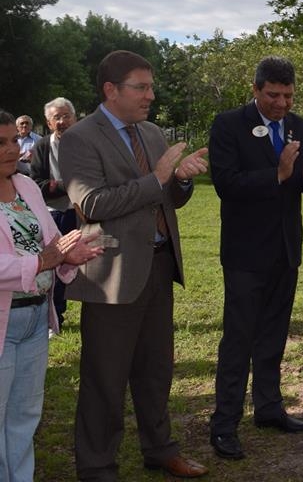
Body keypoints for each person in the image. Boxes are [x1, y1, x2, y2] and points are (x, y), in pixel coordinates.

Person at [60, 50, 210, 481]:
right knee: (104, 379)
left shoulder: (152, 133)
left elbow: (168, 197)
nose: (150, 94)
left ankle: (160, 449)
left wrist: (180, 180)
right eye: (140, 87)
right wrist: (159, 178)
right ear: (111, 90)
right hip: (111, 274)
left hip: (159, 267)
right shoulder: (80, 138)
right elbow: (91, 203)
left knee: (156, 369)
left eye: (150, 86)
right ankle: (97, 465)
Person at [207, 56, 303, 461]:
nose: (282, 103)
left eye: (289, 95)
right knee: (238, 339)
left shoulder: (301, 127)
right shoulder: (229, 125)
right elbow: (226, 184)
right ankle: (224, 424)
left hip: (285, 249)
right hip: (246, 254)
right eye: (274, 95)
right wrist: (278, 174)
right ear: (256, 89)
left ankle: (268, 408)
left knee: (274, 335)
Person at [0, 109, 101, 481]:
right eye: (1, 142)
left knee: (25, 416)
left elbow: (50, 243)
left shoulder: (26, 187)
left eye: (14, 140)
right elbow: (39, 256)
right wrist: (42, 261)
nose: (13, 149)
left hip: (35, 319)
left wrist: (67, 255)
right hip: (4, 320)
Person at [29, 97, 78, 328]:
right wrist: (68, 184)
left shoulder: (86, 143)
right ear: (49, 124)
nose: (62, 121)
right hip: (55, 214)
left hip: (86, 213)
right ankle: (56, 316)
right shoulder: (42, 146)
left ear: (74, 118)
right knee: (56, 264)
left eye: (66, 115)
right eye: (56, 117)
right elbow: (37, 185)